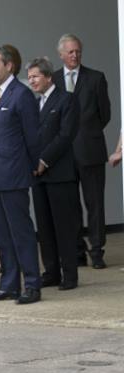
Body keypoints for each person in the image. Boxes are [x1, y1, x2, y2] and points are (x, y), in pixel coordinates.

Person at [0, 46, 43, 304]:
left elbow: (33, 138)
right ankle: (9, 284)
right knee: (2, 235)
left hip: (14, 175)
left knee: (21, 232)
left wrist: (27, 168)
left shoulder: (22, 95)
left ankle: (32, 285)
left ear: (9, 66)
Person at [52, 34, 111, 269]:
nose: (75, 55)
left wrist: (88, 133)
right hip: (64, 154)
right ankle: (77, 251)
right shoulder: (53, 78)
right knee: (70, 205)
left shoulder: (96, 78)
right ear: (61, 54)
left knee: (95, 203)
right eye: (70, 52)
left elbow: (104, 114)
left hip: (90, 150)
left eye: (78, 51)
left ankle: (97, 251)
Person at [27, 57, 81, 290]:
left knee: (63, 227)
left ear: (49, 76)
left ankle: (70, 275)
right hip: (38, 176)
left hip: (59, 174)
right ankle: (51, 272)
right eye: (29, 78)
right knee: (45, 227)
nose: (32, 81)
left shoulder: (66, 99)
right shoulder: (33, 103)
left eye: (36, 76)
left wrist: (44, 160)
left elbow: (66, 135)